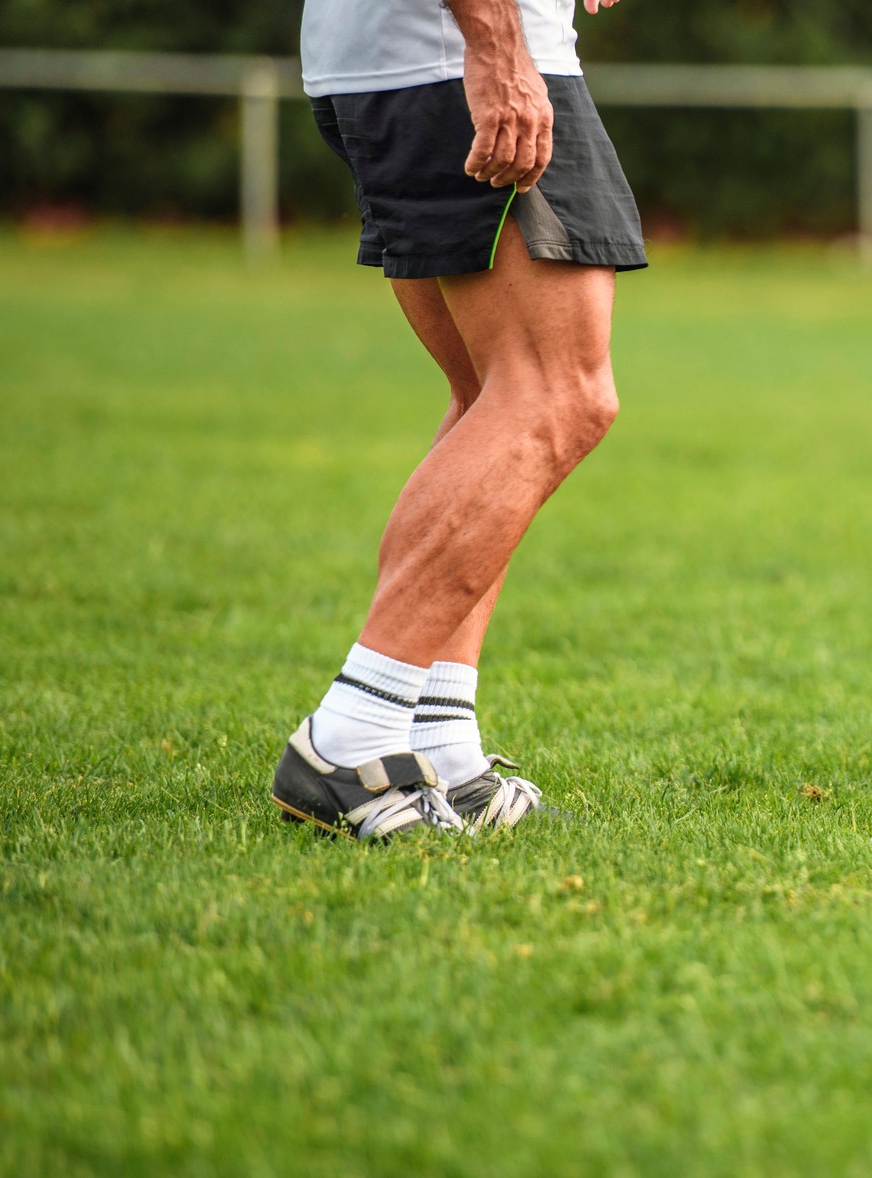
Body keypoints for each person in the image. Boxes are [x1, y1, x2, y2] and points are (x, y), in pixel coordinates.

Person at [271, 0, 647, 838]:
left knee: (494, 393)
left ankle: (435, 737)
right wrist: (496, 45)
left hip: (396, 62)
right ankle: (350, 738)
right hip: (452, 57)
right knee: (559, 395)